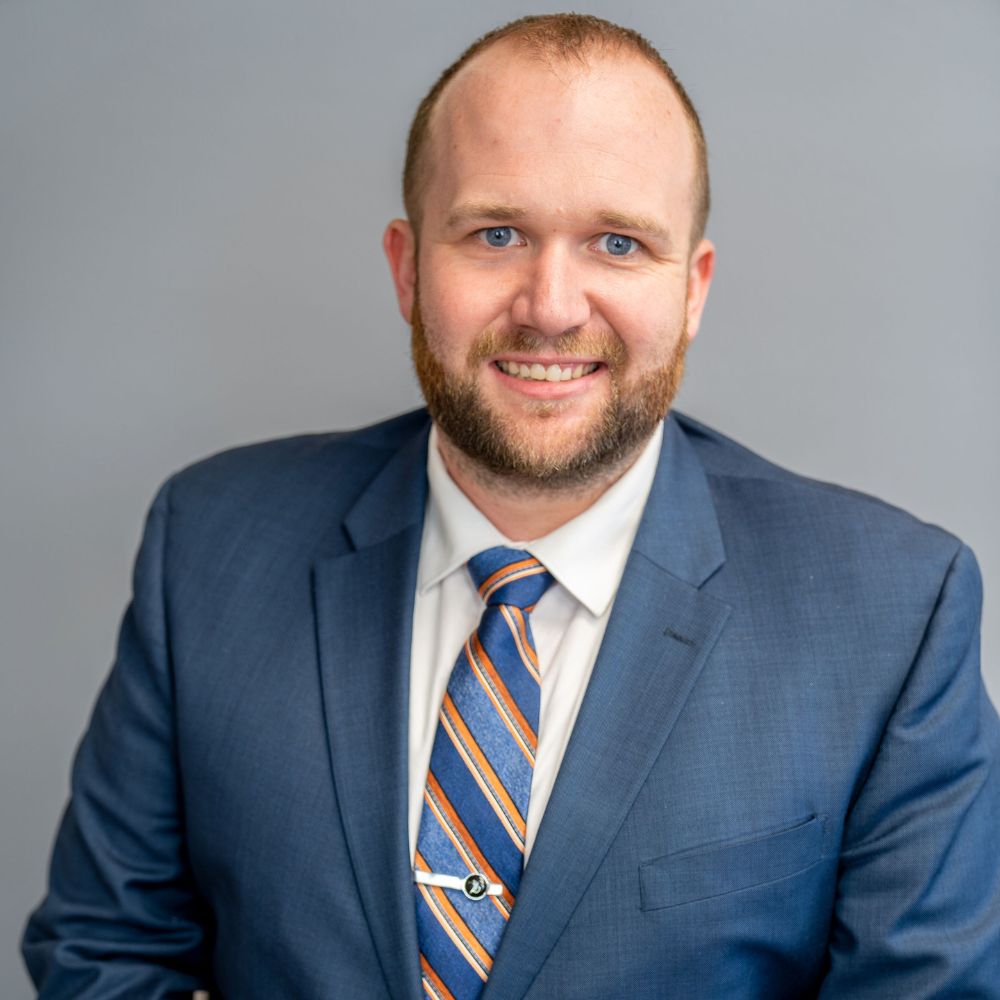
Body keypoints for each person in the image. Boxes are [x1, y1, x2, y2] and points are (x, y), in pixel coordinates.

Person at [23, 13, 1000, 999]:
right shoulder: (210, 546)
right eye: (496, 234)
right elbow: (103, 958)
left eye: (617, 243)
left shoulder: (890, 615)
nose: (551, 304)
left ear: (692, 288)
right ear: (408, 268)